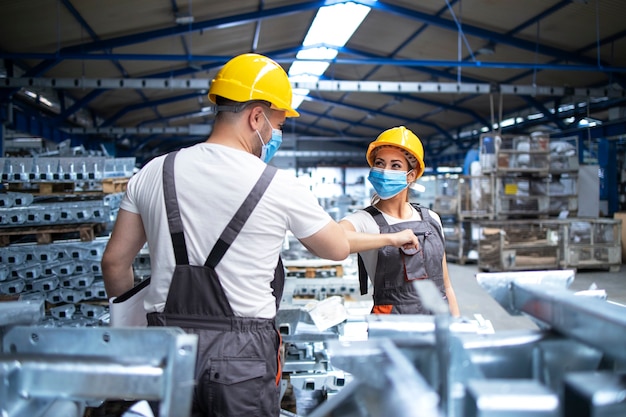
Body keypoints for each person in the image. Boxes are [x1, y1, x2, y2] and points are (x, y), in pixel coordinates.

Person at [101, 53, 418, 417]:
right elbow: (335, 247)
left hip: (163, 348)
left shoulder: (154, 171)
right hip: (241, 359)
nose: (276, 134)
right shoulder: (278, 185)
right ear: (256, 117)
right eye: (277, 124)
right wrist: (392, 237)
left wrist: (134, 336)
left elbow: (114, 263)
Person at [340, 126, 460, 316]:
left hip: (438, 324)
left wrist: (456, 328)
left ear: (411, 176)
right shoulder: (364, 220)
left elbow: (446, 286)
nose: (385, 171)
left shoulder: (432, 219)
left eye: (395, 165)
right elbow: (335, 239)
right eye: (380, 163)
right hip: (391, 329)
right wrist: (391, 239)